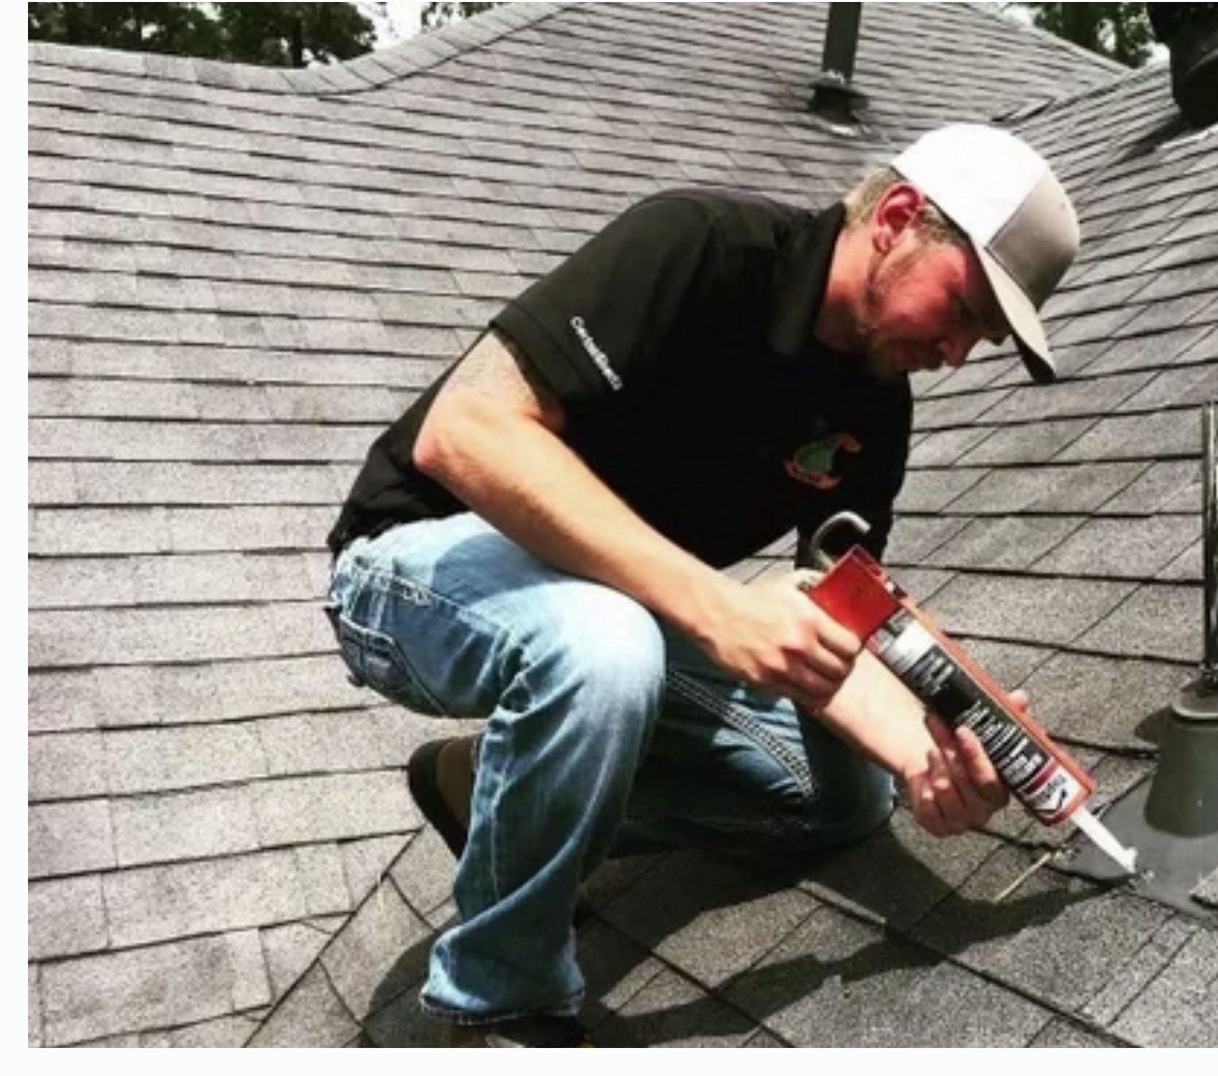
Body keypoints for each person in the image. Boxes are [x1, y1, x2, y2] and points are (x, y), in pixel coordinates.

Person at [323, 125, 1080, 1048]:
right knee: (607, 645)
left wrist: (931, 760)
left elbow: (839, 602)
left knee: (845, 800)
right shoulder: (698, 249)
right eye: (963, 309)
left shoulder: (874, 407)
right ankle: (501, 996)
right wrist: (715, 606)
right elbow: (468, 432)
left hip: (615, 606)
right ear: (896, 219)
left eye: (983, 338)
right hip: (410, 568)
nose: (958, 352)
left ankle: (493, 783)